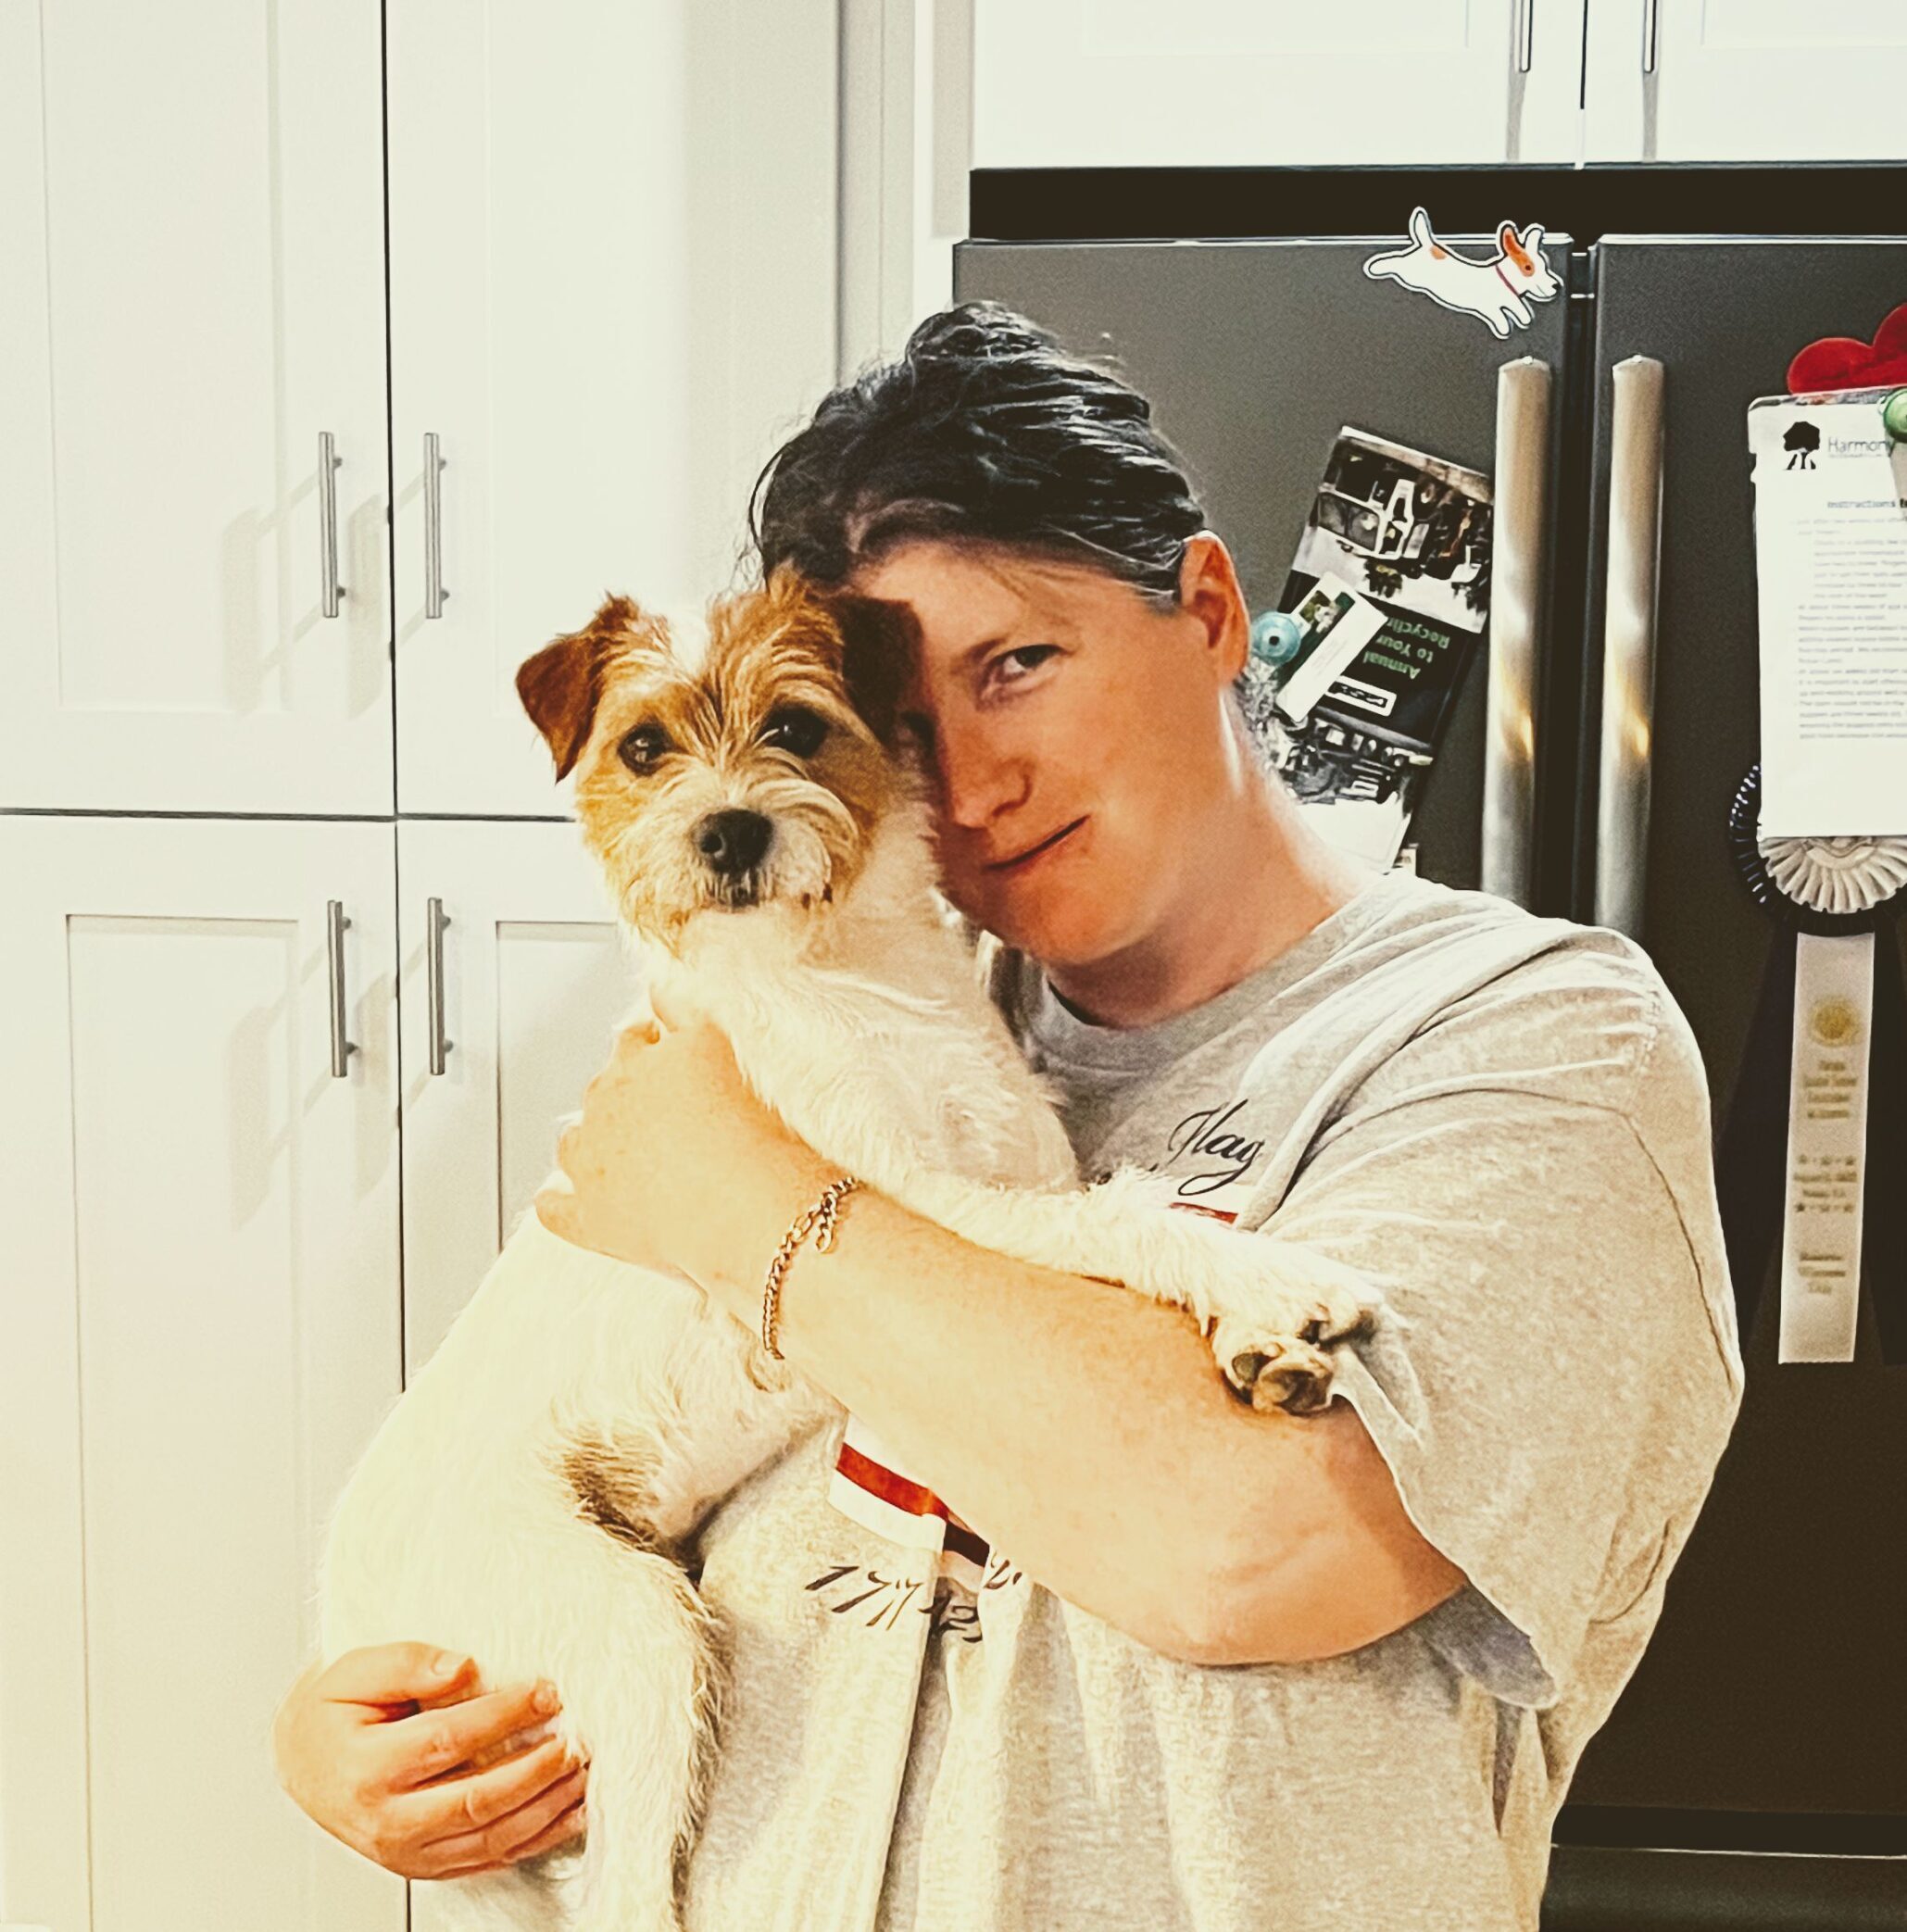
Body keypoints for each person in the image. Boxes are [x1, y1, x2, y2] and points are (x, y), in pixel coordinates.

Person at [273, 303, 1744, 1929]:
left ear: (1208, 610)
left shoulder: (1524, 1037)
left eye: (1019, 667)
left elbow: (1247, 1550)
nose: (970, 788)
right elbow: (575, 1422)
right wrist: (368, 1720)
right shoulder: (876, 1004)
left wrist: (752, 1204)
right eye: (910, 727)